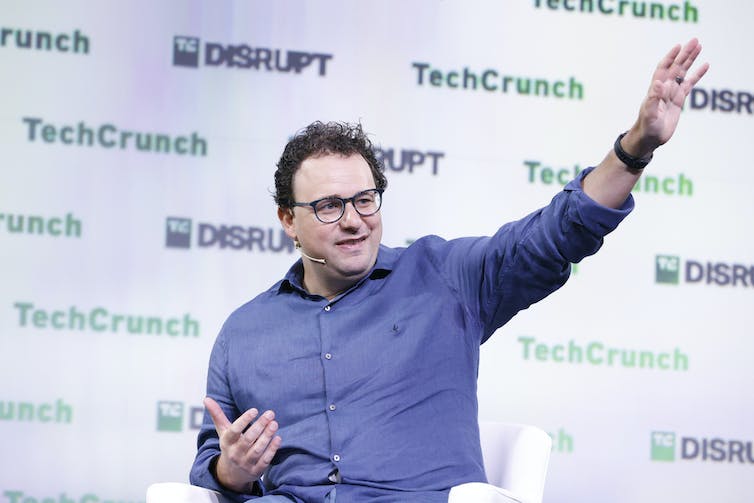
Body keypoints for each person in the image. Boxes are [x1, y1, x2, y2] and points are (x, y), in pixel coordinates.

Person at [190, 39, 708, 502]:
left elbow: (558, 232)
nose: (353, 222)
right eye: (328, 206)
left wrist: (636, 145)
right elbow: (211, 471)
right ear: (289, 220)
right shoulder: (244, 333)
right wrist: (231, 471)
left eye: (365, 200)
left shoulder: (445, 278)